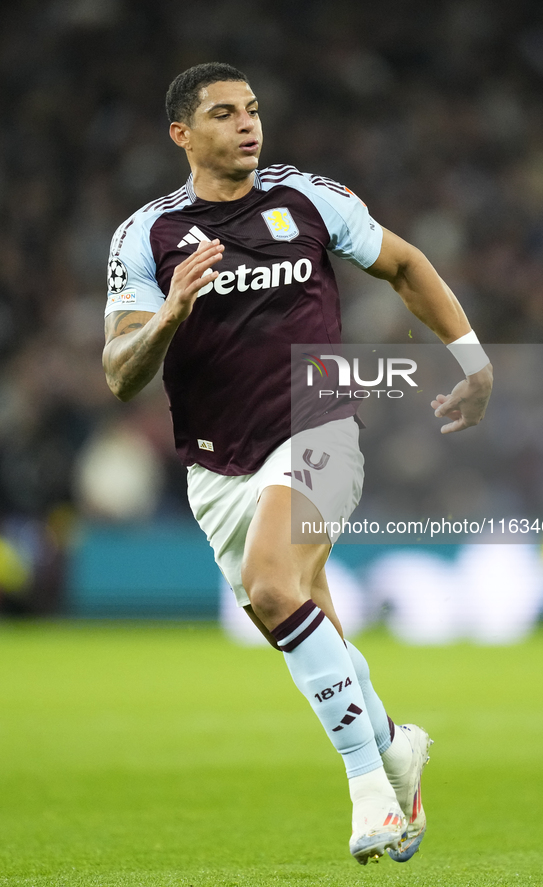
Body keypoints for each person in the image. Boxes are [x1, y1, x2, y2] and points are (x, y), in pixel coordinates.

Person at [102, 62, 493, 865]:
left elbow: (404, 264)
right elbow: (119, 372)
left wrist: (472, 360)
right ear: (182, 134)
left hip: (320, 425)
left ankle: (370, 794)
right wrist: (170, 311)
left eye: (252, 110)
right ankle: (392, 745)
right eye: (223, 114)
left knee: (275, 586)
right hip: (216, 465)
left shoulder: (307, 198)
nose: (247, 125)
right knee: (292, 609)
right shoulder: (146, 236)